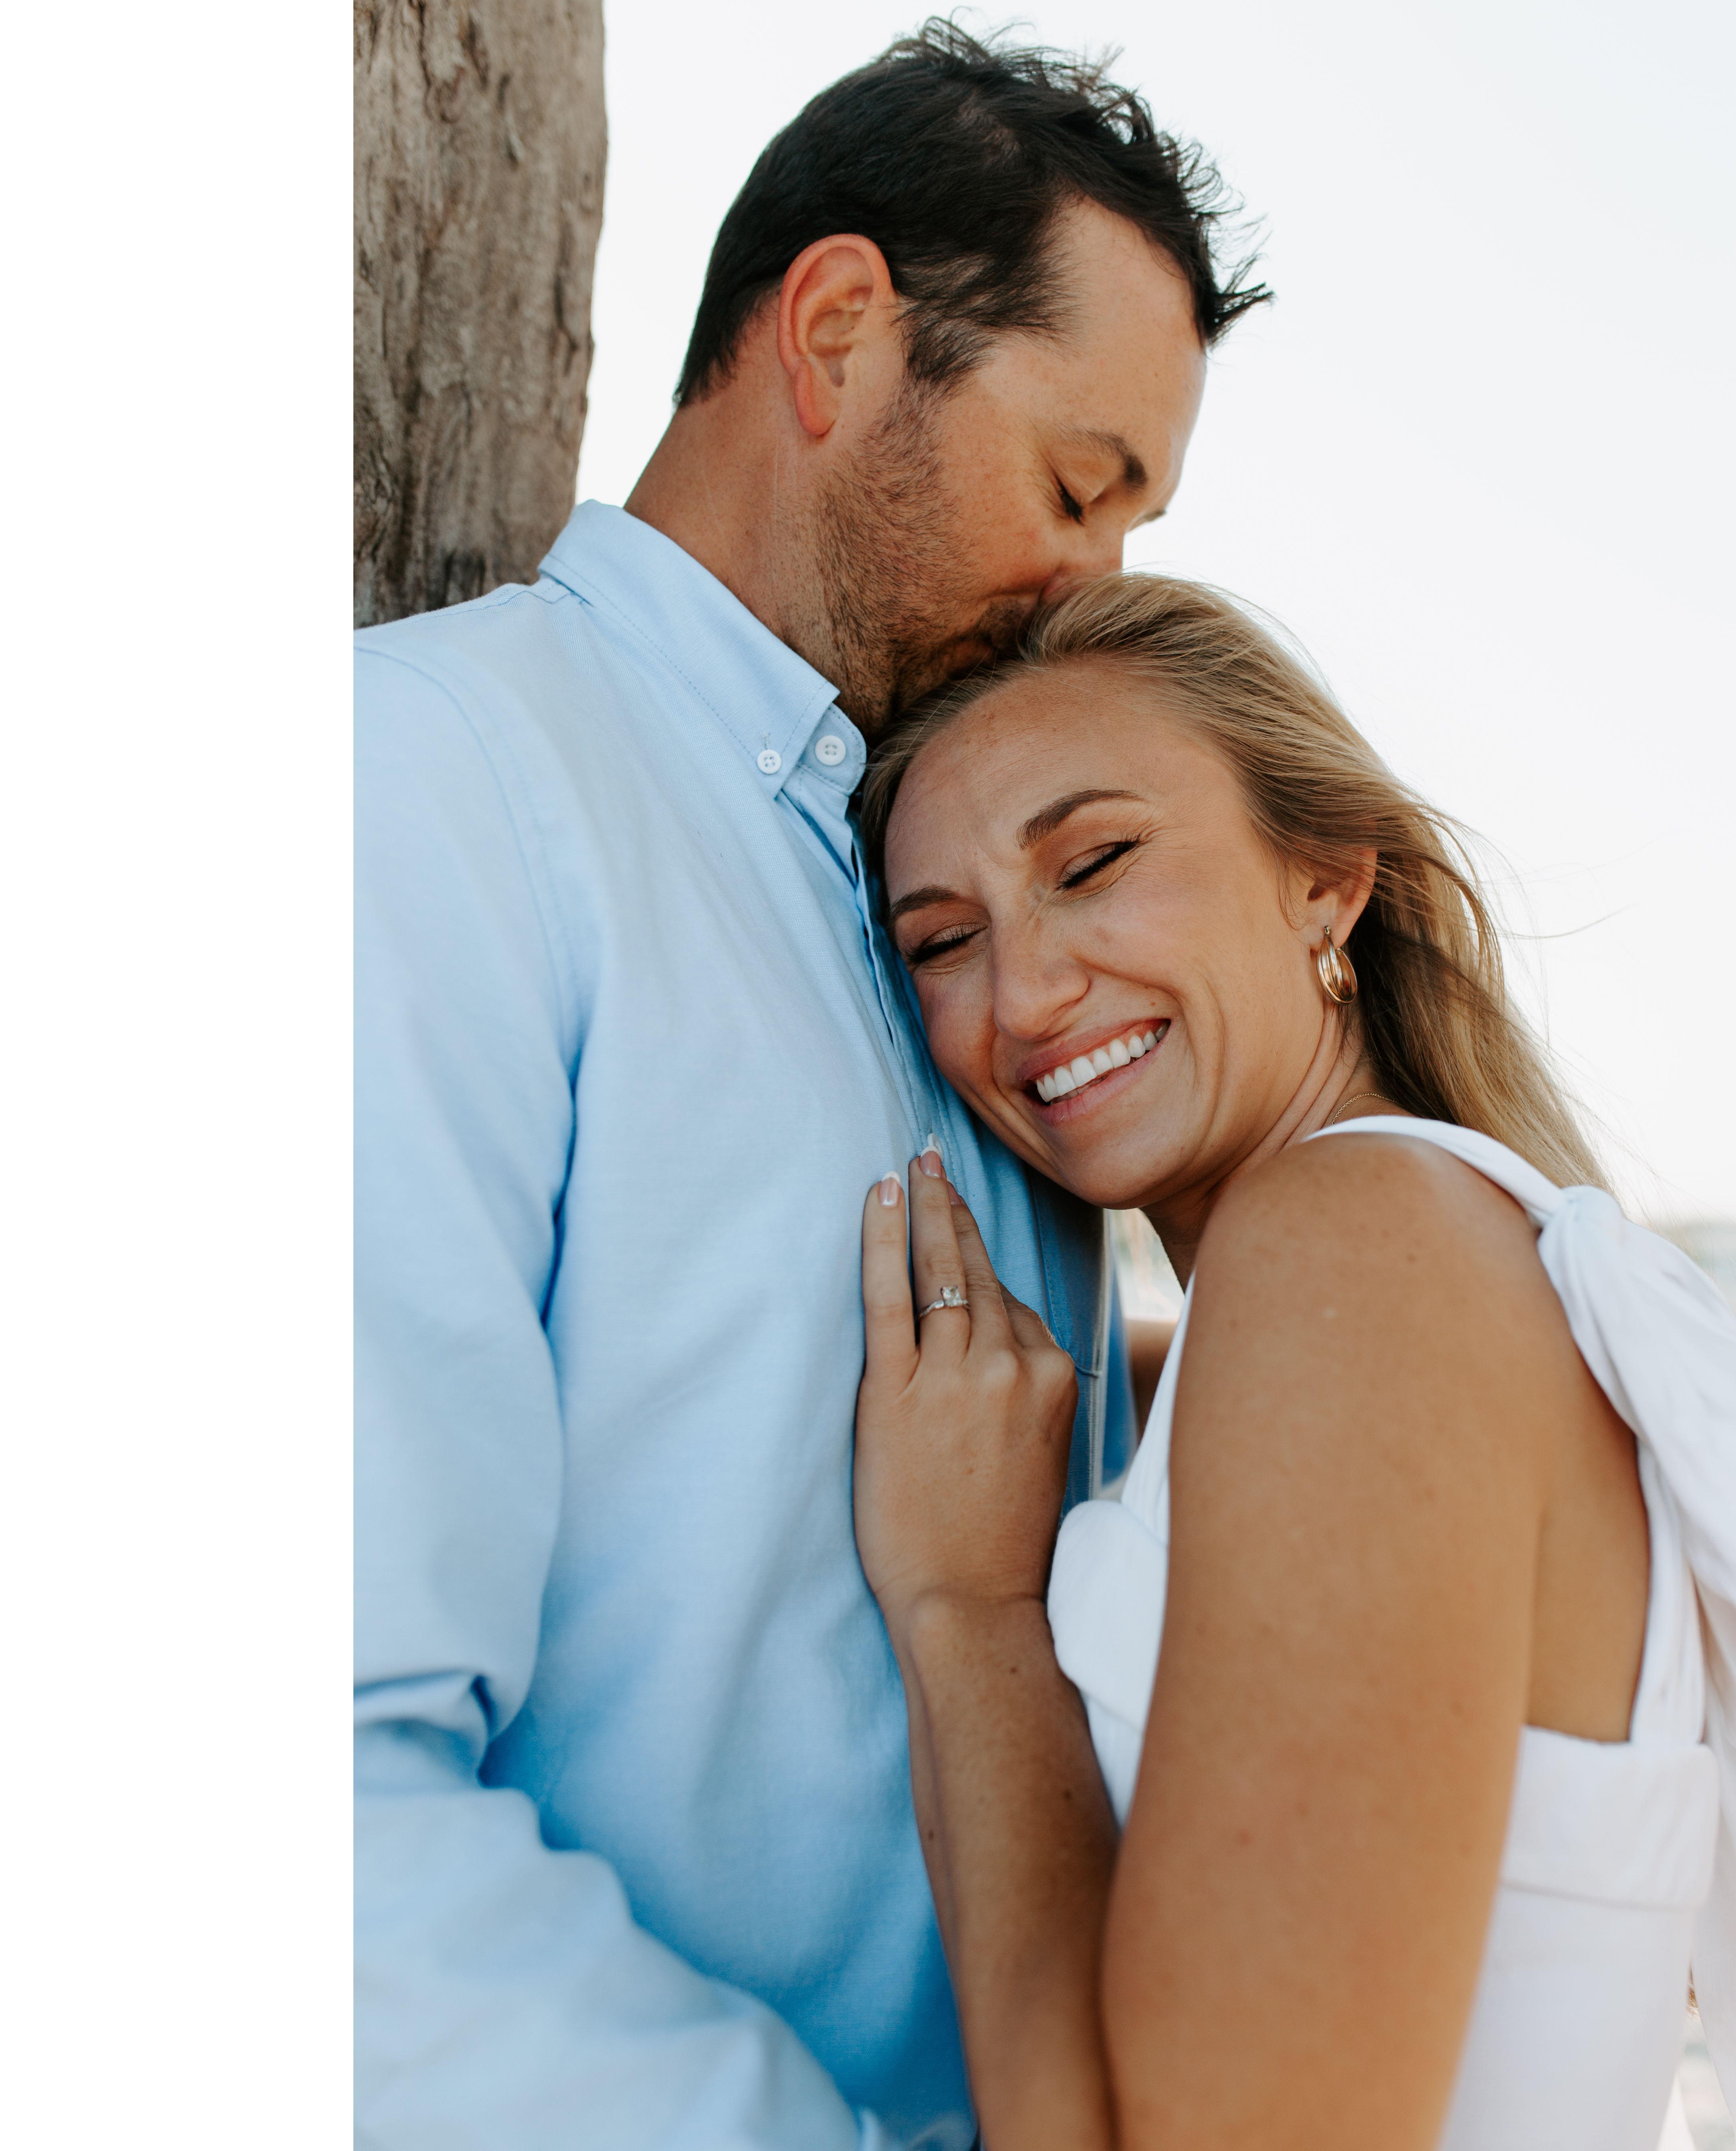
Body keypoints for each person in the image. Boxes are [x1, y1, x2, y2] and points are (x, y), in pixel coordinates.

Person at [354, 26, 1266, 2149]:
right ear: (839, 331)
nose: (1095, 590)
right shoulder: (433, 789)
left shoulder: (970, 918)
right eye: (1076, 487)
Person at [850, 575, 1736, 2151]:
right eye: (943, 941)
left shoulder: (1352, 1244)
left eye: (1095, 862)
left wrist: (966, 1611)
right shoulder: (1414, 1275)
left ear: (1327, 883)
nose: (1023, 994)